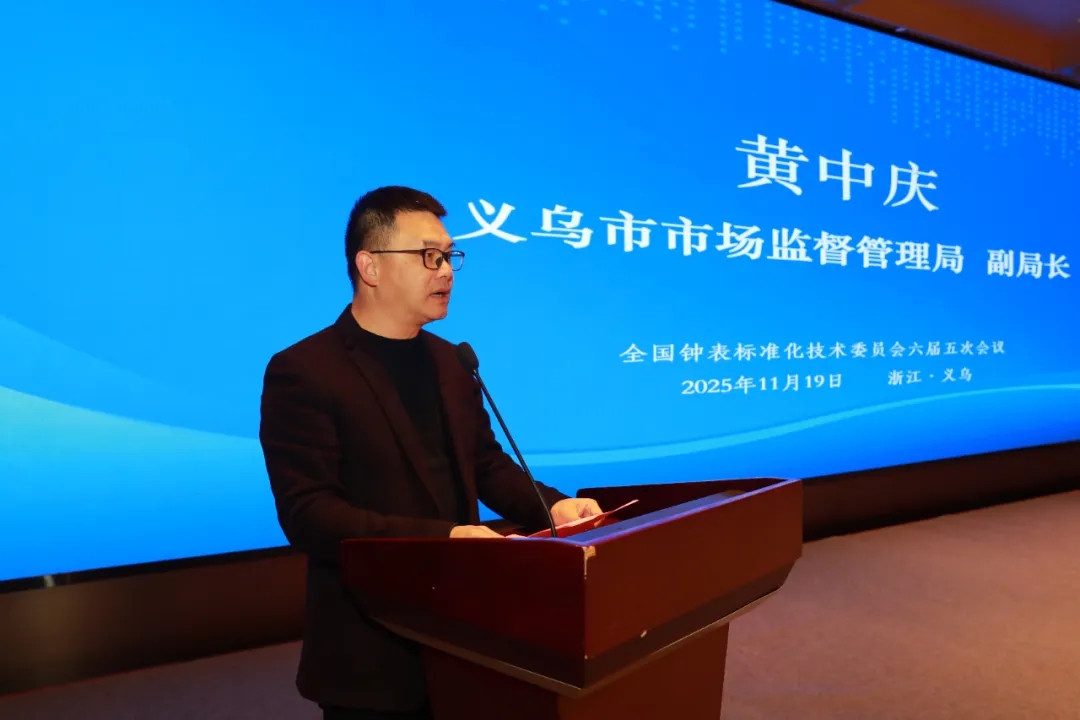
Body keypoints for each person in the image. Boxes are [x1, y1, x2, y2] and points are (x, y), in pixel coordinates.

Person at [258, 185, 602, 720]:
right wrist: (446, 540)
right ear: (370, 266)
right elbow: (310, 515)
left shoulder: (450, 362)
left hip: (466, 637)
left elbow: (484, 464)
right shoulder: (305, 371)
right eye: (428, 256)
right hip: (371, 648)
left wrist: (552, 507)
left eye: (448, 256)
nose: (445, 271)